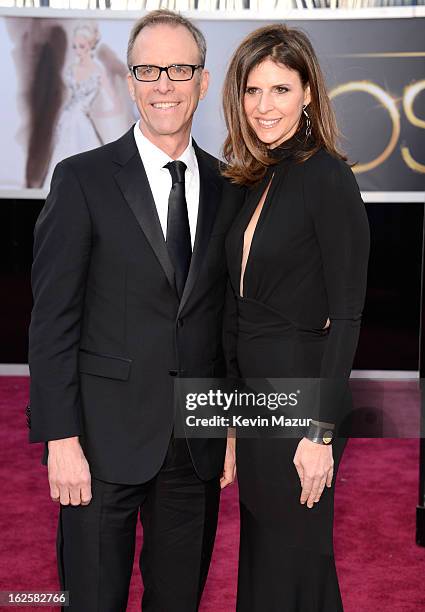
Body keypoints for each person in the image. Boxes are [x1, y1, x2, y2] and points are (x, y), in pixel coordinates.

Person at [27, 10, 238, 611]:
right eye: (148, 69)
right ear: (131, 82)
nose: (163, 84)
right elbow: (52, 321)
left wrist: (226, 426)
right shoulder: (81, 179)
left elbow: (223, 322)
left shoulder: (230, 187)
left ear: (202, 80)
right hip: (98, 444)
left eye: (179, 69)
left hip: (192, 446)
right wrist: (59, 438)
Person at [222, 24, 370, 611]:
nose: (264, 106)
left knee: (299, 561)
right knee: (262, 559)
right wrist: (228, 420)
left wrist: (321, 432)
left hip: (300, 401)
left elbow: (349, 314)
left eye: (280, 89)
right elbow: (234, 312)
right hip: (254, 401)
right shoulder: (252, 177)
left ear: (308, 92)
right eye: (253, 91)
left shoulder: (328, 177)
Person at [43, 22, 131, 188]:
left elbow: (115, 103)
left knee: (85, 158)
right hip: (67, 118)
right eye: (75, 47)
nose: (77, 51)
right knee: (63, 156)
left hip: (81, 121)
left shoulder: (98, 70)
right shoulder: (72, 68)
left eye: (81, 46)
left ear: (90, 46)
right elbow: (70, 96)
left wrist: (96, 114)